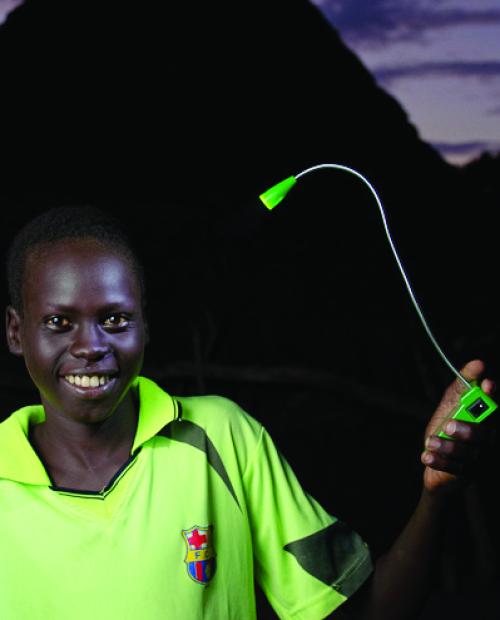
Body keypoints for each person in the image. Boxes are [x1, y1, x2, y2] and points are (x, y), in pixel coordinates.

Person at [0, 206, 494, 620]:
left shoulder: (222, 436)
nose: (90, 346)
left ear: (144, 327)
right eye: (59, 322)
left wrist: (436, 495)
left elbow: (363, 612)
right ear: (18, 332)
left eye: (114, 319)